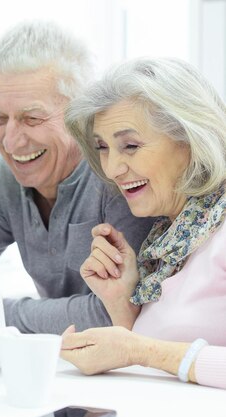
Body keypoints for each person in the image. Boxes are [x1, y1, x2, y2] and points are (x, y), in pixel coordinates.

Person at [0, 21, 154, 334]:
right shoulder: (3, 173)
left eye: (32, 119)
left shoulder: (117, 174)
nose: (10, 142)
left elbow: (113, 313)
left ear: (81, 115)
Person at [61, 57, 226, 390]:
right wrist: (121, 302)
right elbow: (157, 369)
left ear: (190, 140)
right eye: (103, 148)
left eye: (130, 146)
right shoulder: (170, 241)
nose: (112, 169)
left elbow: (152, 355)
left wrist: (138, 349)